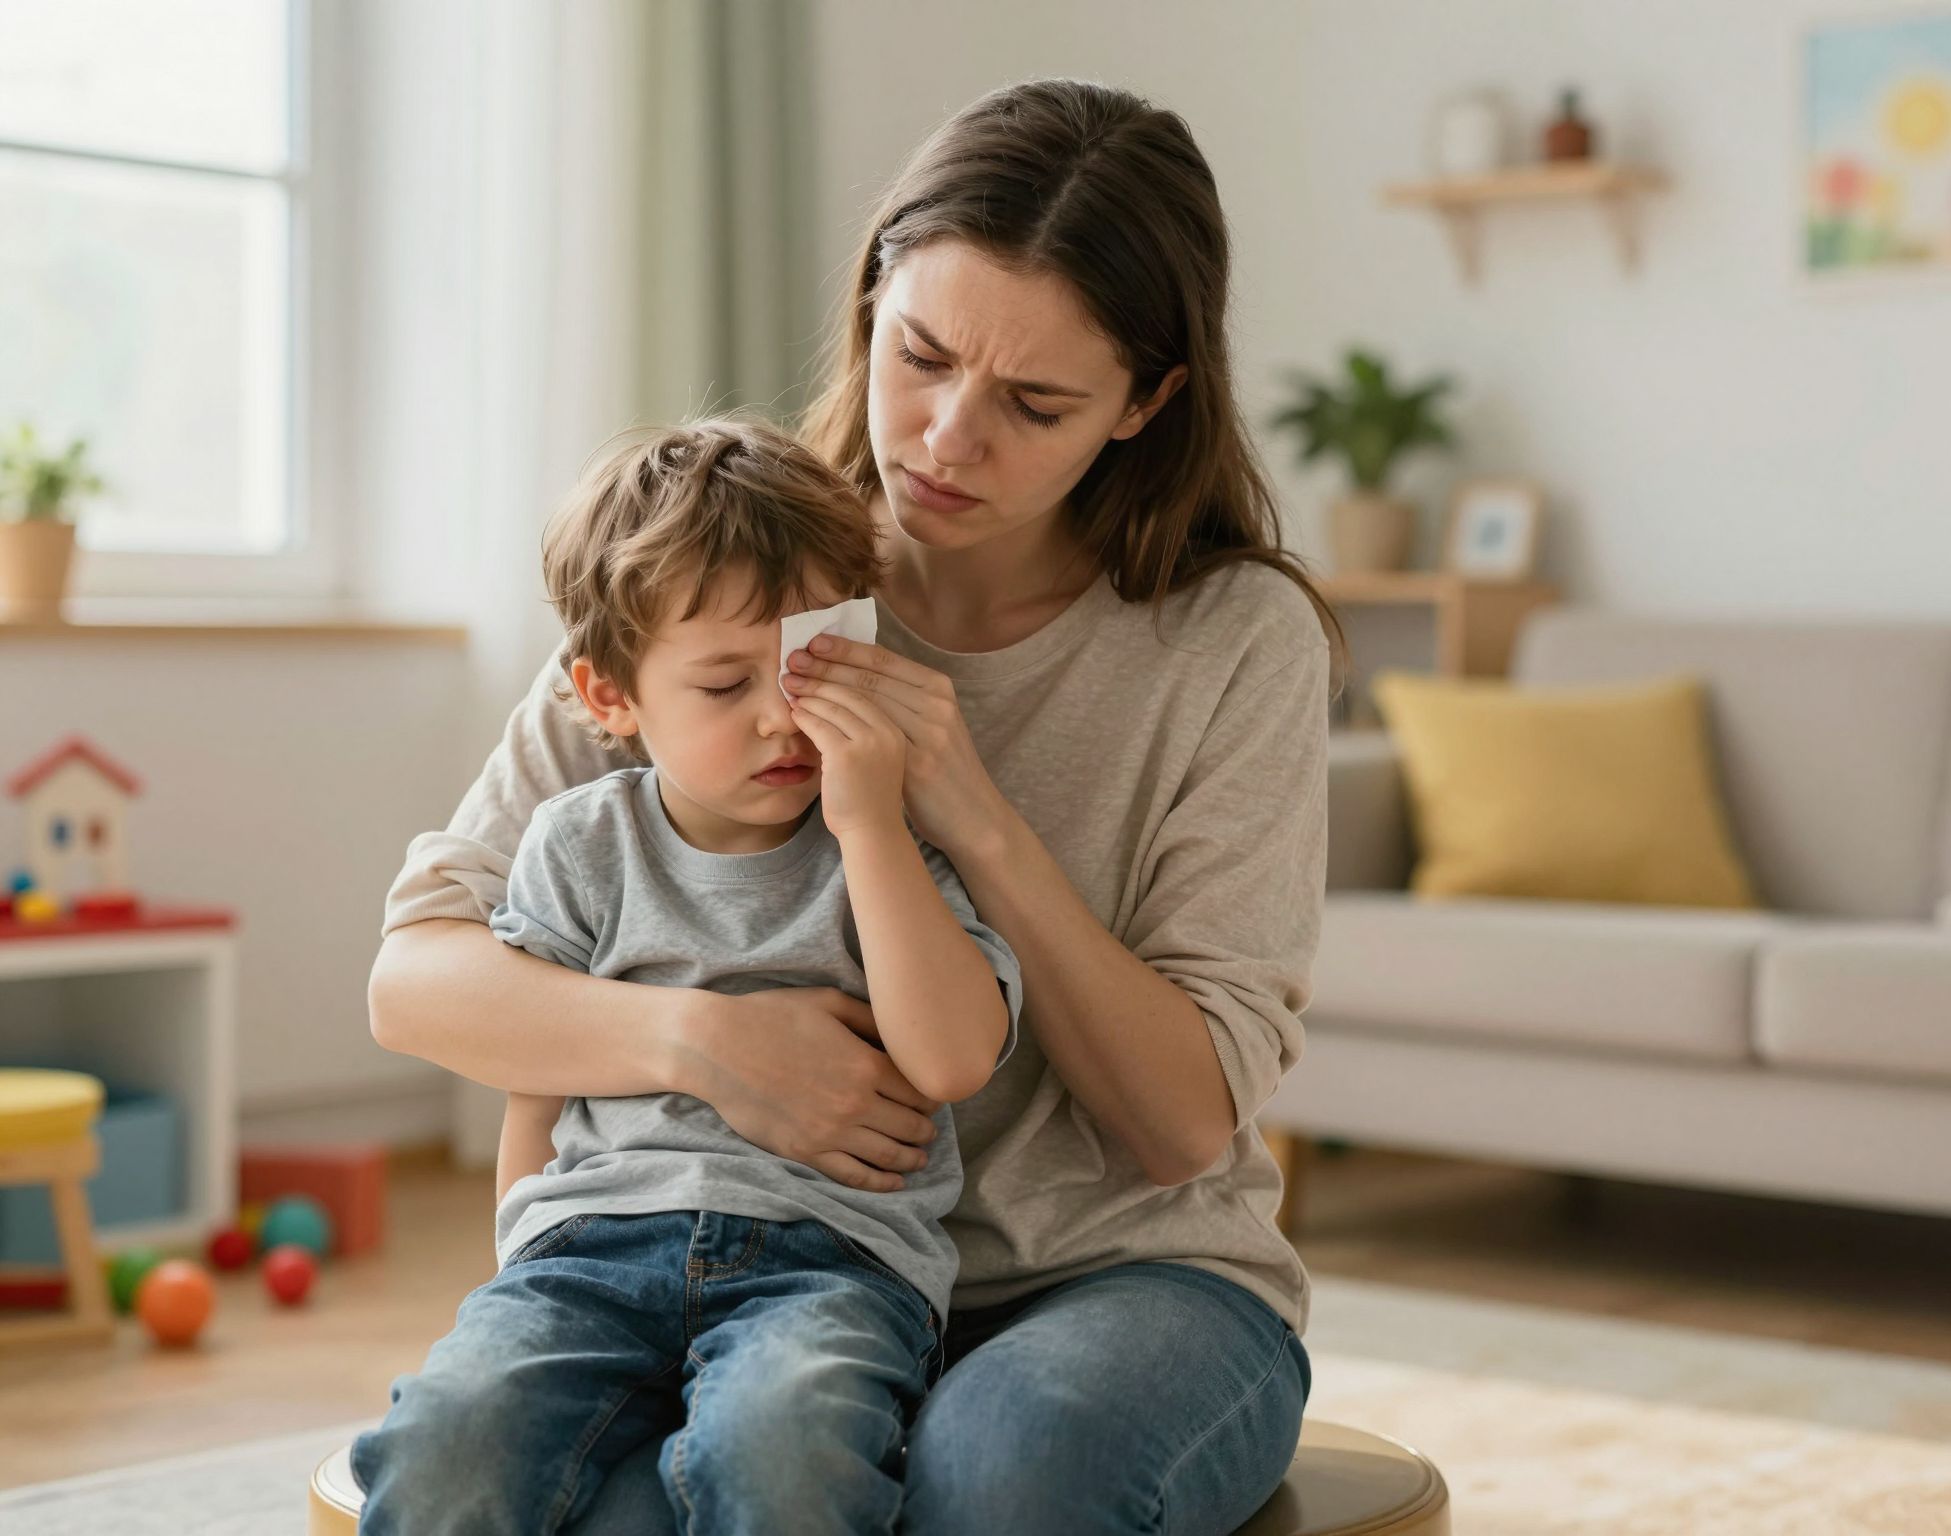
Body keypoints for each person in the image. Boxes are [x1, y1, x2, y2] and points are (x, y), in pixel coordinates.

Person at [370, 77, 1347, 1534]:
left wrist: (970, 816)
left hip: (1116, 1284)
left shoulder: (1231, 642)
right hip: (744, 1269)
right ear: (873, 293)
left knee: (998, 1481)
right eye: (922, 356)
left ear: (1146, 403)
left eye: (1033, 403)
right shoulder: (732, 561)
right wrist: (710, 1046)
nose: (948, 438)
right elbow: (419, 979)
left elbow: (1181, 1129)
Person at [352, 419, 1022, 1535]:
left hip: (831, 1269)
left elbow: (953, 1058)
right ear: (610, 699)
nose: (779, 716)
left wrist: (867, 824)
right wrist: (518, 1260)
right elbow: (536, 1071)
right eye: (722, 685)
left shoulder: (892, 849)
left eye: (809, 668)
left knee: (788, 1449)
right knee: (445, 1437)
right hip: (585, 1255)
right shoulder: (576, 844)